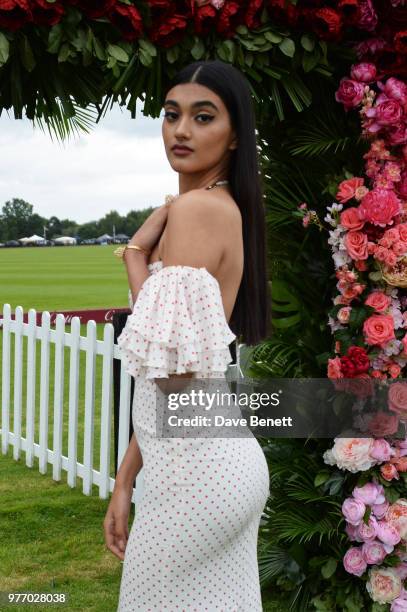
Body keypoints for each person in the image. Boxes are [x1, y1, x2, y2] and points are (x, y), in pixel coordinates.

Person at [104, 59, 271, 611]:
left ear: (233, 137)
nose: (181, 130)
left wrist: (134, 257)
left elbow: (173, 377)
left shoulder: (198, 209)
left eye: (203, 117)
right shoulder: (221, 207)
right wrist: (127, 480)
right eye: (172, 114)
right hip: (217, 467)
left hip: (196, 480)